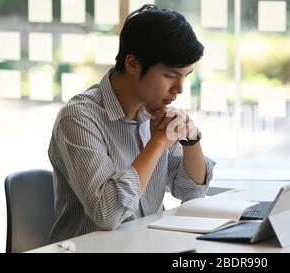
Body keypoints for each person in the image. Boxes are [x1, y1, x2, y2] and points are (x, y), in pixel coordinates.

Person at [48, 4, 216, 241]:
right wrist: (156, 145)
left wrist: (192, 139)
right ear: (133, 64)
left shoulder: (153, 114)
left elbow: (193, 192)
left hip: (146, 245)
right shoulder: (79, 118)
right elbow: (107, 213)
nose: (179, 89)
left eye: (185, 77)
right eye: (170, 75)